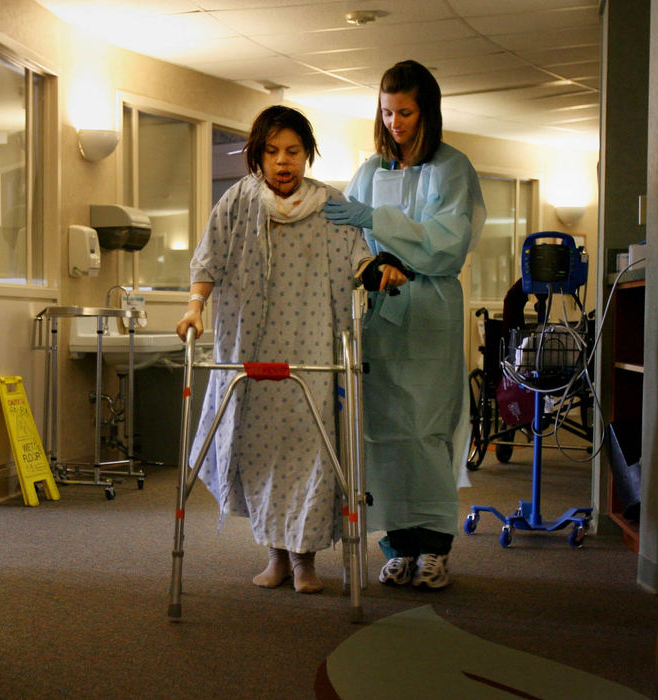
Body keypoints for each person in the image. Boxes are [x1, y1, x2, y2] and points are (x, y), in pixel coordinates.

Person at [176, 106, 407, 594]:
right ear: (258, 155)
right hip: (253, 352)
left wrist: (378, 270)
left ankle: (305, 561)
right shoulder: (239, 201)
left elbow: (358, 258)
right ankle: (275, 554)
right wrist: (196, 307)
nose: (283, 162)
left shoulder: (329, 203)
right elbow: (208, 258)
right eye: (272, 152)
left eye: (293, 152)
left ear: (308, 154)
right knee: (265, 456)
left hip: (314, 350)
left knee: (313, 455)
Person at [324, 59, 486, 590]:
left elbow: (447, 241)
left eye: (406, 112)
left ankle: (436, 547)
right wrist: (373, 261)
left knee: (427, 430)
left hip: (431, 309)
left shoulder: (452, 168)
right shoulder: (371, 171)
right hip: (383, 314)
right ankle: (397, 544)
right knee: (386, 432)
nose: (395, 122)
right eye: (387, 111)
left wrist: (381, 223)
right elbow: (349, 238)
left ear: (428, 111)